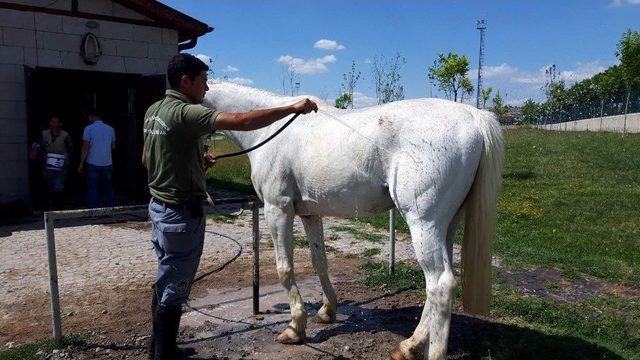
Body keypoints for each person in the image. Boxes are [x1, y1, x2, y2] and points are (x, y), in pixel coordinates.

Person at [143, 53, 317, 359]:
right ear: (186, 81)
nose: (207, 88)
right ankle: (162, 355)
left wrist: (195, 161)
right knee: (176, 285)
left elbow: (148, 159)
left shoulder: (154, 111)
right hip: (181, 213)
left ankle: (161, 346)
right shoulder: (185, 112)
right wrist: (292, 107)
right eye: (203, 81)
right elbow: (241, 121)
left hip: (158, 209)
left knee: (166, 277)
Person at [78, 109, 116, 208]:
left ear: (92, 117)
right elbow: (113, 146)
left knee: (92, 188)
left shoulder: (88, 129)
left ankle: (93, 211)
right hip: (107, 162)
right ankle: (110, 210)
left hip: (92, 162)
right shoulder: (110, 129)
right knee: (108, 188)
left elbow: (85, 147)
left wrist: (81, 163)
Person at [42, 116, 72, 209]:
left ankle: (59, 205)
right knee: (50, 183)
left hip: (61, 162)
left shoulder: (65, 135)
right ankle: (52, 204)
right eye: (52, 122)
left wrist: (65, 158)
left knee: (58, 184)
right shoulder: (45, 134)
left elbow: (70, 147)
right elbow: (42, 146)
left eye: (56, 122)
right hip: (49, 162)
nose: (54, 124)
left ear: (60, 124)